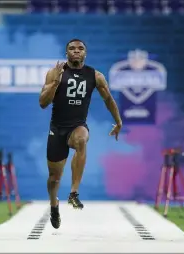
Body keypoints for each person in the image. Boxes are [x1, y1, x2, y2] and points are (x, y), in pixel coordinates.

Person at [39, 39, 122, 229]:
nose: (76, 51)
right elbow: (43, 103)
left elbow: (108, 99)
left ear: (85, 53)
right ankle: (54, 205)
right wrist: (54, 83)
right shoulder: (54, 72)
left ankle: (74, 193)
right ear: (66, 52)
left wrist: (118, 121)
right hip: (57, 129)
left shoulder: (95, 75)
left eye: (80, 48)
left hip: (77, 125)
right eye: (72, 48)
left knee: (81, 139)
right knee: (54, 179)